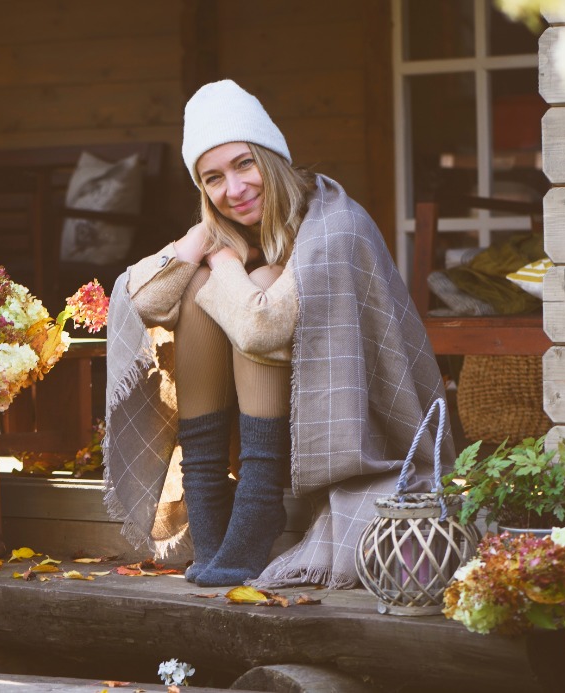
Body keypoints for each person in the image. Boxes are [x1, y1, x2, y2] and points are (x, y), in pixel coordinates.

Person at [102, 79, 452, 588]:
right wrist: (195, 240)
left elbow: (261, 326)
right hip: (269, 399)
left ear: (271, 157)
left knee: (251, 286)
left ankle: (260, 503)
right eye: (213, 178)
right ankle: (210, 510)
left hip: (349, 412)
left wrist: (222, 258)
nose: (234, 189)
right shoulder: (228, 225)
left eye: (244, 164)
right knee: (198, 286)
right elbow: (145, 303)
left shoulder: (333, 223)